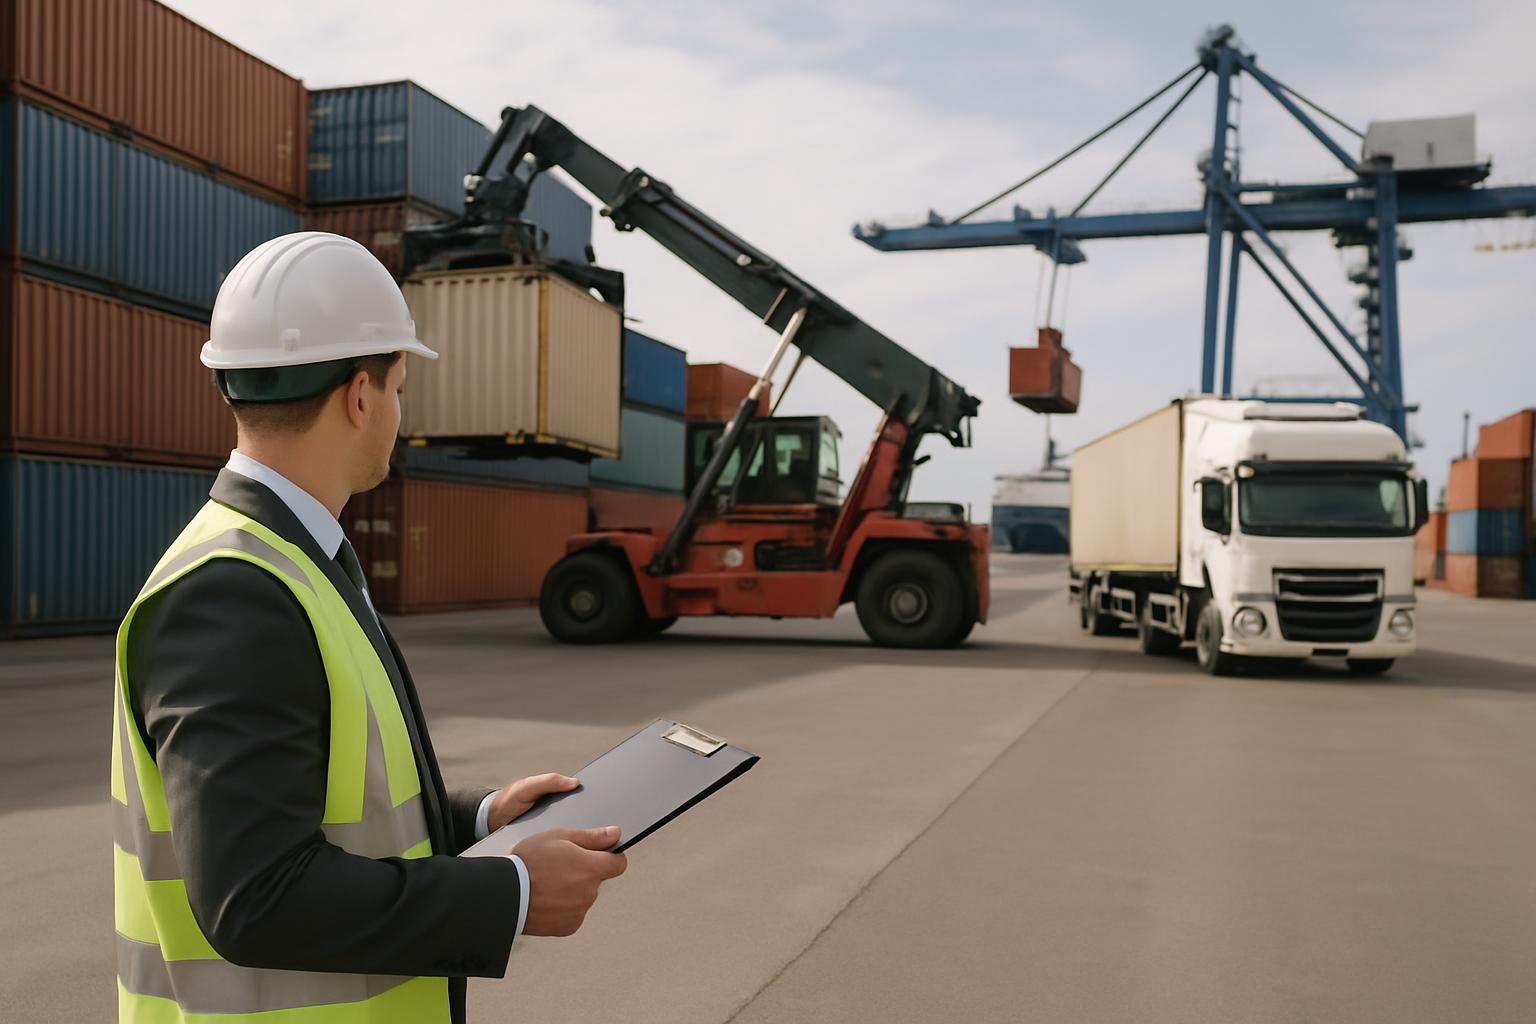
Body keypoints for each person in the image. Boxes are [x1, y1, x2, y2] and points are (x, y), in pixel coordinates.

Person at [111, 232, 627, 1024]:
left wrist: (480, 819)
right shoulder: (233, 594)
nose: (396, 410)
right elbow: (257, 898)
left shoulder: (292, 561)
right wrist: (513, 890)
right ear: (360, 396)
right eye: (399, 387)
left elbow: (322, 807)